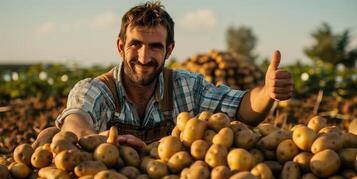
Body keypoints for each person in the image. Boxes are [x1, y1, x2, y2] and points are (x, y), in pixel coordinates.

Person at [53, 1, 293, 151]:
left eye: (155, 47)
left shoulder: (187, 87)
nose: (144, 57)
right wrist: (94, 138)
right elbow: (75, 120)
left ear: (169, 49)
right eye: (135, 44)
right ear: (120, 46)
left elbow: (241, 107)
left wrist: (267, 92)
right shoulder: (95, 90)